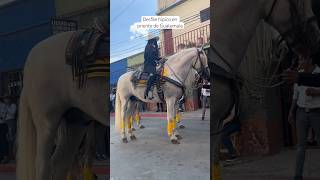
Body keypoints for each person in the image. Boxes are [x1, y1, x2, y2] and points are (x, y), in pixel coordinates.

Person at [288, 54, 320, 180]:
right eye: (299, 59)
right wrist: (291, 111)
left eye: (303, 58)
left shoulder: (318, 72)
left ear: (310, 60)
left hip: (317, 112)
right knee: (301, 146)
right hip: (301, 112)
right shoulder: (298, 75)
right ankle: (298, 176)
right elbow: (295, 95)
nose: (300, 61)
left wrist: (316, 92)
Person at [144, 35, 160, 99]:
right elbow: (150, 56)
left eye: (155, 40)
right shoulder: (148, 47)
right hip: (148, 65)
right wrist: (158, 59)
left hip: (153, 65)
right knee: (152, 75)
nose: (155, 41)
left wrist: (159, 58)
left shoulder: (153, 47)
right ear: (151, 40)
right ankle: (147, 91)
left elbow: (156, 56)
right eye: (154, 40)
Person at [0, 95, 10, 164]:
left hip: (3, 124)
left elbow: (3, 116)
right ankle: (1, 156)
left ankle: (5, 156)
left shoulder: (3, 105)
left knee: (3, 140)